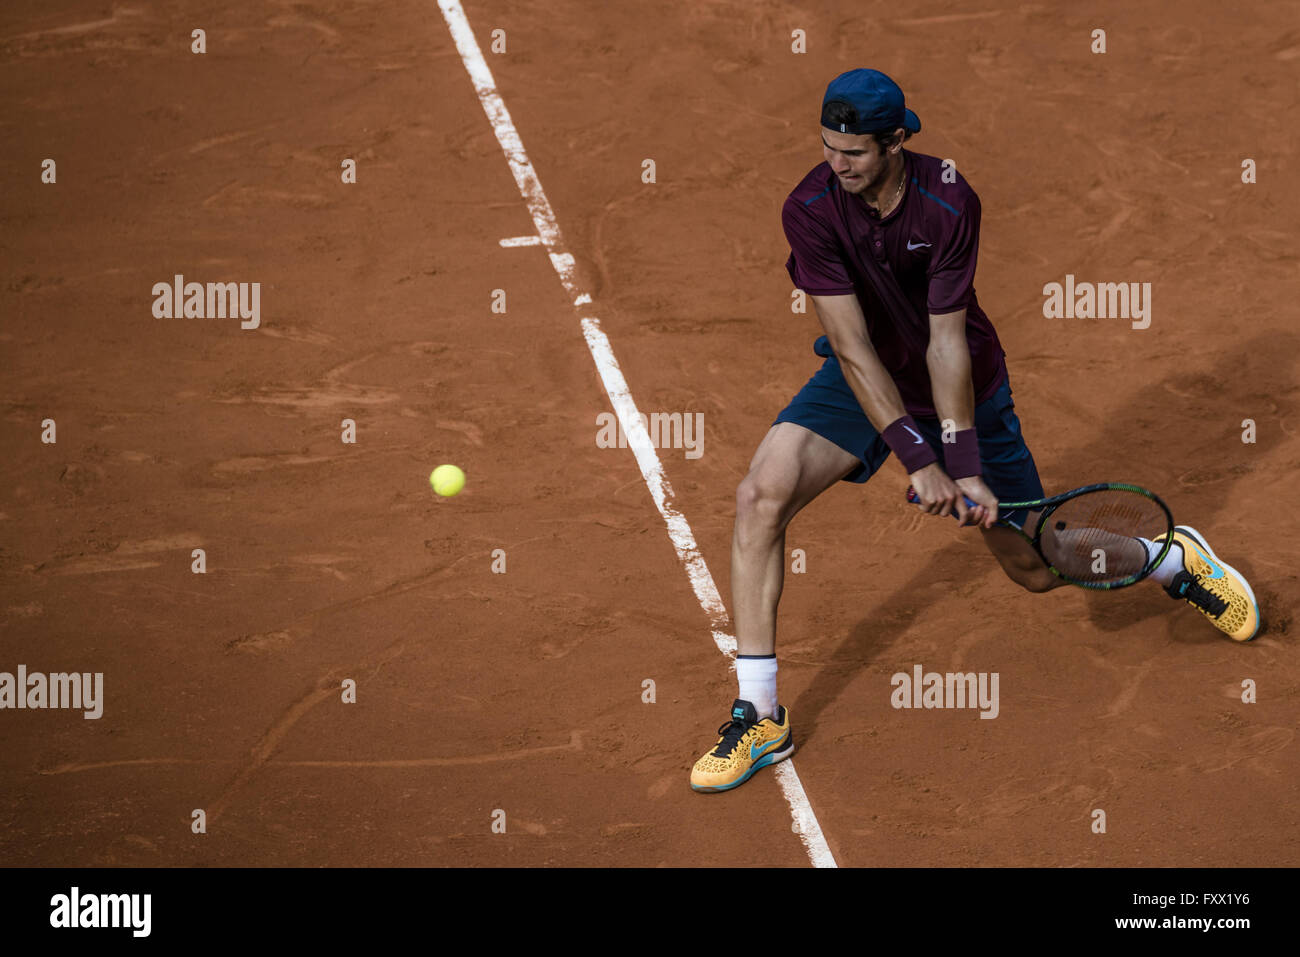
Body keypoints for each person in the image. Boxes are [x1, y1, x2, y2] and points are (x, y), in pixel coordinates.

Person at [690, 68, 1260, 794]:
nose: (836, 165)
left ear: (896, 141)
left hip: (962, 387)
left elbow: (946, 344)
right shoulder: (810, 206)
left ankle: (1168, 560)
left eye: (853, 153)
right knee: (758, 495)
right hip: (862, 381)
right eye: (828, 148)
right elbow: (854, 348)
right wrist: (915, 457)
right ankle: (760, 714)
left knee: (1038, 562)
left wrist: (958, 460)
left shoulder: (947, 201)